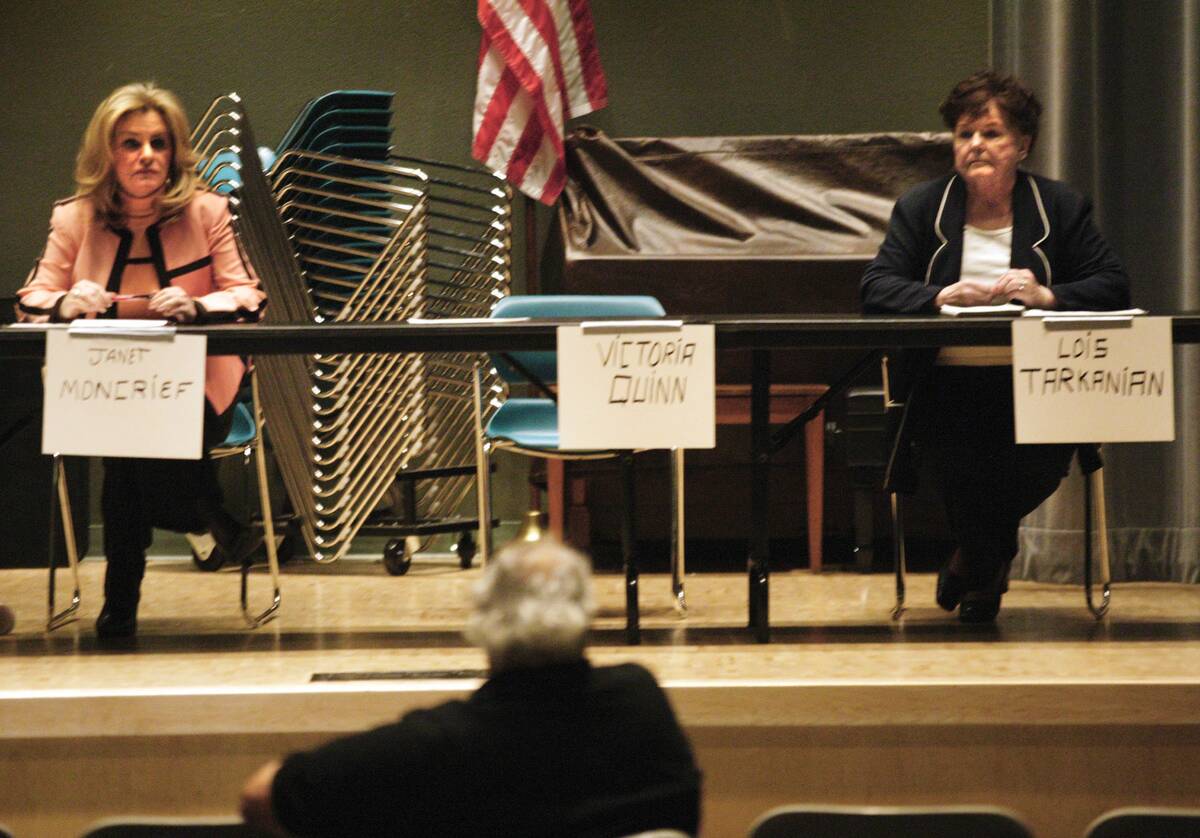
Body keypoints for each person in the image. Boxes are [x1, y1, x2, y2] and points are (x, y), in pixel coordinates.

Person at [861, 70, 1130, 623]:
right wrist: (938, 295)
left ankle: (971, 558)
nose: (975, 145)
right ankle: (986, 569)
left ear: (1023, 145)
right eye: (965, 135)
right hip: (942, 383)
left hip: (1042, 385)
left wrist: (1047, 293)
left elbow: (1113, 284)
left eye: (991, 134)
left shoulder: (1060, 206)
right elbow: (877, 287)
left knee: (1027, 471)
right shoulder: (921, 208)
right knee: (958, 468)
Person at [17, 82, 266, 638]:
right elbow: (30, 298)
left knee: (126, 468)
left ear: (175, 152)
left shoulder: (208, 211)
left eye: (158, 143)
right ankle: (206, 515)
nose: (146, 156)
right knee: (130, 454)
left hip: (198, 389)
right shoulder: (74, 217)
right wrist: (65, 303)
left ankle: (120, 606)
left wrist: (199, 305)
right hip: (104, 391)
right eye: (131, 143)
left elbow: (249, 294)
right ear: (108, 153)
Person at [240, 539, 702, 837]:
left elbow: (261, 795)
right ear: (585, 619)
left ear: (481, 626)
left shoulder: (435, 746)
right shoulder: (641, 703)